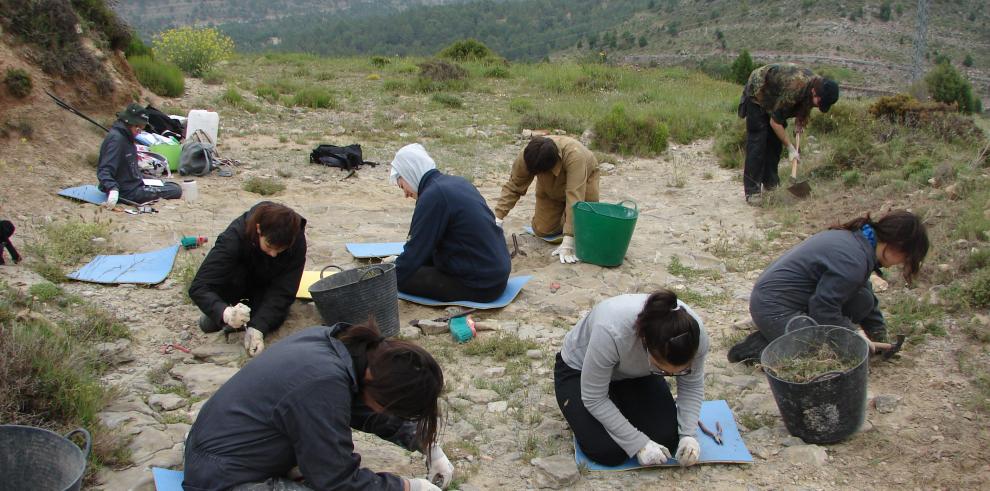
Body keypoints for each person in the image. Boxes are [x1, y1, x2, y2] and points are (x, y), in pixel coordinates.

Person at [182, 320, 452, 491]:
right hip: (221, 477)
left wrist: (426, 443)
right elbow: (337, 481)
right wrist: (406, 487)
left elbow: (361, 406)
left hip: (228, 449)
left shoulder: (343, 349)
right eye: (392, 408)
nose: (387, 413)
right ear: (377, 384)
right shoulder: (322, 384)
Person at [728, 210, 930, 364]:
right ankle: (759, 348)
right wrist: (852, 334)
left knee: (863, 301)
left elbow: (863, 292)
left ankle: (785, 331)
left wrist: (879, 335)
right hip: (773, 307)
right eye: (905, 258)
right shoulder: (854, 259)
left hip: (791, 301)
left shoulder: (860, 243)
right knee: (820, 353)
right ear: (896, 246)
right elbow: (823, 308)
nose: (901, 264)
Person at [554, 290, 709, 467]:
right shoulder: (611, 331)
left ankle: (624, 400)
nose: (671, 376)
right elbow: (594, 398)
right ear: (645, 344)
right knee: (607, 451)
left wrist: (688, 435)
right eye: (663, 370)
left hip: (635, 374)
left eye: (679, 371)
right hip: (579, 370)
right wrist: (639, 444)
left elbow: (692, 386)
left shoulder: (695, 337)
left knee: (667, 440)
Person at [388, 143, 510, 302]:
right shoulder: (457, 182)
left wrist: (385, 280)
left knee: (404, 278)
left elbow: (414, 252)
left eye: (402, 185)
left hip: (482, 285)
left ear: (409, 172)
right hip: (497, 274)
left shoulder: (433, 196)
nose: (405, 194)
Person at [189, 202, 307, 357]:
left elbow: (284, 290)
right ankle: (224, 316)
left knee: (272, 318)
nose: (274, 254)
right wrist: (224, 312)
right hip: (233, 283)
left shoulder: (295, 240)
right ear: (259, 229)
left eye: (280, 250)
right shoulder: (233, 238)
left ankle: (247, 320)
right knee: (210, 324)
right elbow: (199, 286)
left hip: (266, 285)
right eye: (270, 246)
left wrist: (258, 328)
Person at [740, 63, 839, 204]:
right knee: (758, 141)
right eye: (820, 102)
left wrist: (800, 121)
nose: (818, 106)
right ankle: (752, 192)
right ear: (815, 93)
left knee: (774, 143)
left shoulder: (818, 85)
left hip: (777, 95)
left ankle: (771, 184)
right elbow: (775, 123)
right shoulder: (796, 87)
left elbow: (805, 104)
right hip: (759, 91)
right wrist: (790, 148)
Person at [494, 136, 600, 264]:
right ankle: (565, 218)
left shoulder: (575, 155)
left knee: (585, 233)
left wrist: (569, 239)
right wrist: (498, 218)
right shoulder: (528, 155)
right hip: (550, 188)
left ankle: (570, 222)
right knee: (542, 230)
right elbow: (514, 186)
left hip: (583, 182)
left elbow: (575, 197)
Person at [97, 103, 182, 207]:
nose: (139, 132)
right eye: (138, 128)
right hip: (127, 192)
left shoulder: (126, 137)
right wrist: (113, 189)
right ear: (130, 123)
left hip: (133, 182)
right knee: (175, 190)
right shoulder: (117, 140)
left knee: (169, 185)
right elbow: (104, 170)